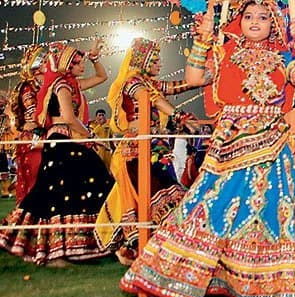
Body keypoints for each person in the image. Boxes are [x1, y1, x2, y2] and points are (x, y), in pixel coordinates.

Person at [119, 0, 295, 297]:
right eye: (248, 16)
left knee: (268, 209)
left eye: (263, 17)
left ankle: (264, 284)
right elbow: (194, 79)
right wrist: (202, 40)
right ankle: (188, 272)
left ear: (274, 24)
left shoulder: (284, 58)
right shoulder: (226, 54)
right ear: (238, 21)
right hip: (228, 146)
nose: (255, 21)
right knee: (211, 205)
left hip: (271, 146)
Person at [0, 41, 113, 266]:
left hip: (64, 140)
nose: (82, 67)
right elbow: (69, 118)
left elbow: (102, 77)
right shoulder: (62, 86)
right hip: (60, 140)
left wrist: (94, 58)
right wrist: (92, 137)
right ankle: (63, 249)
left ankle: (73, 245)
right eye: (79, 63)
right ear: (67, 64)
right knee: (83, 181)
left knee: (57, 193)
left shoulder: (71, 83)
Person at [95, 38, 199, 265]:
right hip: (136, 151)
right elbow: (156, 100)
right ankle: (144, 249)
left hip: (151, 148)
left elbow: (175, 87)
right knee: (157, 195)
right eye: (155, 60)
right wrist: (181, 117)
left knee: (159, 194)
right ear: (144, 61)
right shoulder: (134, 82)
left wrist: (203, 78)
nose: (159, 64)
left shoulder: (146, 81)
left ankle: (139, 249)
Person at [7, 45, 47, 203]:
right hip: (33, 138)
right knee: (35, 181)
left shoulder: (43, 85)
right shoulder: (28, 88)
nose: (48, 64)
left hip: (44, 135)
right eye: (44, 61)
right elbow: (34, 118)